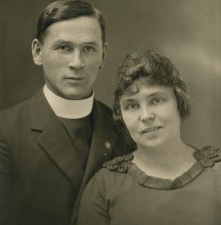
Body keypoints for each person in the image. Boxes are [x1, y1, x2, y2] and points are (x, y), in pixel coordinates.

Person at [0, 1, 134, 225]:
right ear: (37, 52)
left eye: (88, 49)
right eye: (64, 48)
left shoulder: (123, 129)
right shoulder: (3, 131)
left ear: (104, 55)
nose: (77, 63)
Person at [77, 49, 221, 225]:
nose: (145, 116)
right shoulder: (103, 187)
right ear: (120, 115)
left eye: (156, 100)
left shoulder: (217, 175)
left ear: (179, 102)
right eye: (132, 106)